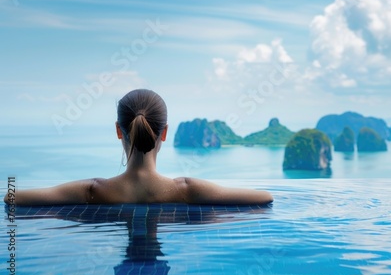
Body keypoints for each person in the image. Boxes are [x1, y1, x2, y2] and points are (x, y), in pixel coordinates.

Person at [4, 89, 273, 206]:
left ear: (119, 130)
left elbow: (12, 198)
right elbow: (264, 197)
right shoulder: (188, 190)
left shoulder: (92, 191)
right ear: (164, 133)